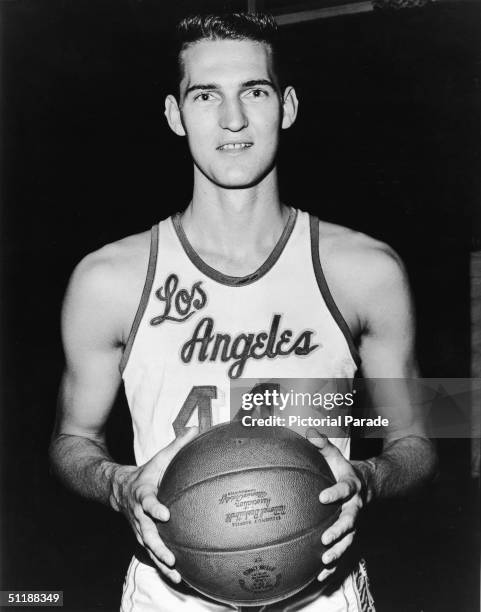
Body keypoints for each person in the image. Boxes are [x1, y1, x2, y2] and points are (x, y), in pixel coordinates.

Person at [49, 12, 437, 612]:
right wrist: (119, 485)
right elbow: (72, 439)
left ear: (287, 106)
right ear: (176, 116)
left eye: (253, 92)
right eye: (206, 96)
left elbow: (415, 438)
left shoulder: (365, 271)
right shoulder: (110, 280)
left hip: (325, 599)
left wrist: (367, 477)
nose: (233, 120)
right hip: (167, 598)